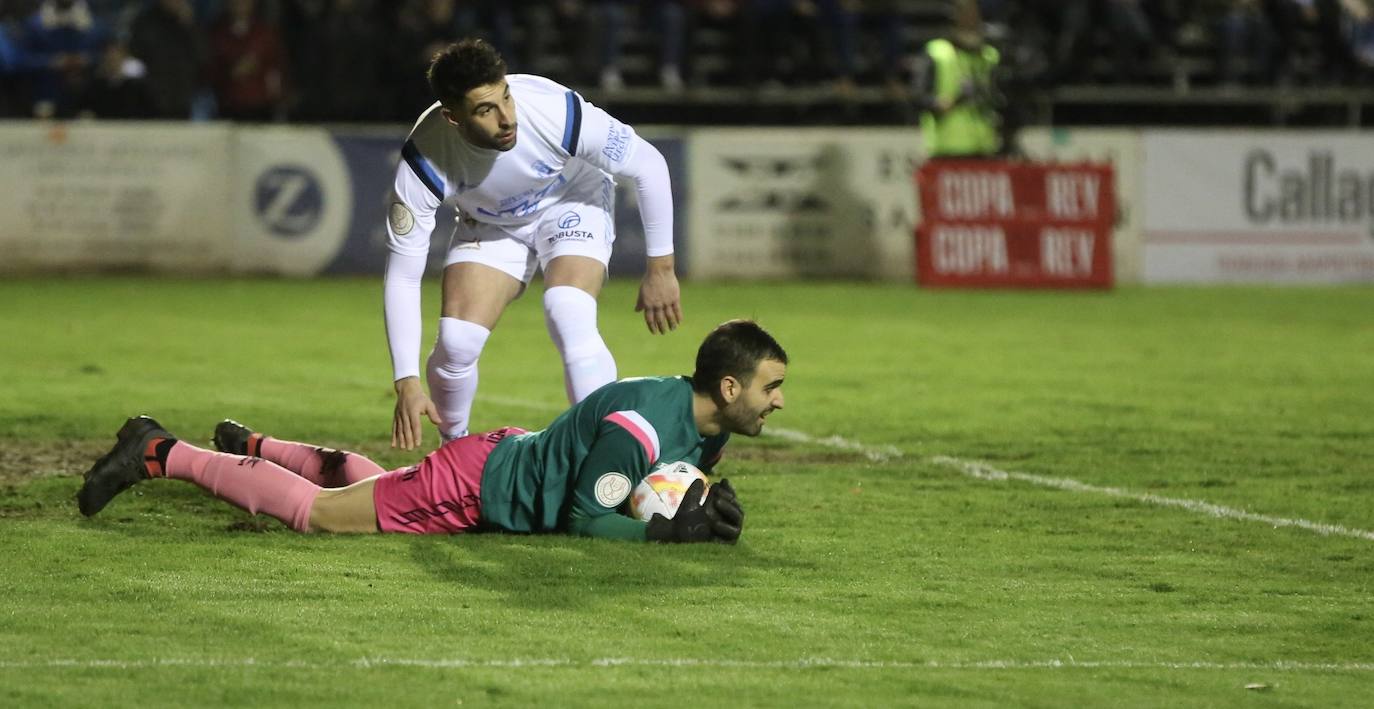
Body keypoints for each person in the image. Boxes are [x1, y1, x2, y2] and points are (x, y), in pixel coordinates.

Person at [76, 319, 785, 543]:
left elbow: (663, 487)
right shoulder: (639, 426)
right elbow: (586, 515)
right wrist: (666, 532)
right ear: (729, 388)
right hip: (476, 486)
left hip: (492, 471)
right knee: (320, 517)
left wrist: (701, 504)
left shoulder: (704, 429)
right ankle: (159, 450)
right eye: (771, 386)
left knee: (374, 486)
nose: (778, 401)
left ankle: (258, 447)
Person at [384, 38, 683, 452]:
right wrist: (406, 380)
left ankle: (608, 457)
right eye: (485, 110)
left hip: (571, 198)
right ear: (453, 118)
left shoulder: (553, 111)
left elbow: (648, 164)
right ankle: (452, 452)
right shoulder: (425, 158)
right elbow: (402, 274)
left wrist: (662, 269)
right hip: (491, 222)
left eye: (505, 96)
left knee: (568, 309)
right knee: (455, 342)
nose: (507, 118)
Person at [913, 0, 1002, 159]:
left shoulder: (989, 55)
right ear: (953, 19)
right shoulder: (937, 52)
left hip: (985, 147)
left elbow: (998, 96)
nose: (971, 22)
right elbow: (919, 96)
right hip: (946, 150)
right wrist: (939, 103)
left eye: (975, 17)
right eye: (965, 16)